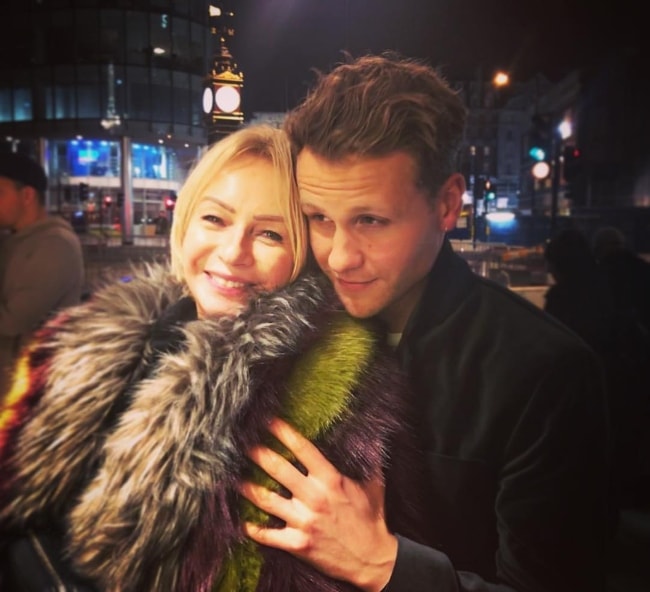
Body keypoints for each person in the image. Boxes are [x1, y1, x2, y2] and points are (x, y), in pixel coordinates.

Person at [240, 53, 612, 592]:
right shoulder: (284, 331)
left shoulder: (544, 373)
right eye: (319, 218)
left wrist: (384, 566)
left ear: (447, 205)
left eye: (370, 220)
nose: (340, 256)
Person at [0, 125, 426, 592]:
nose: (232, 251)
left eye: (269, 233)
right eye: (215, 219)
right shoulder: (86, 343)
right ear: (185, 221)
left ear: (302, 253)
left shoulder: (335, 400)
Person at [0, 151, 84, 396]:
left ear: (27, 195)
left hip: (25, 389)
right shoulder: (13, 241)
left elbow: (14, 320)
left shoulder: (54, 244)